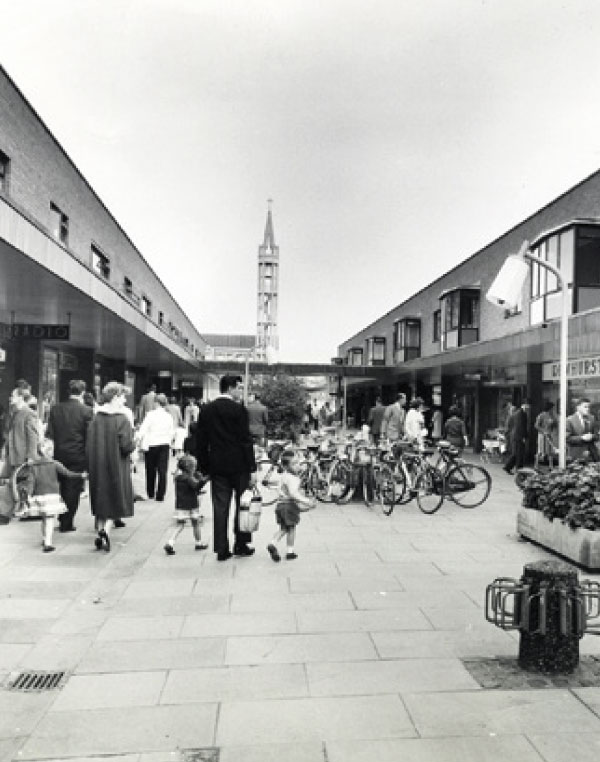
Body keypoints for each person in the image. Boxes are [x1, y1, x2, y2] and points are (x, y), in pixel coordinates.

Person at [196, 374, 257, 561]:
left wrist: (205, 467)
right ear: (230, 388)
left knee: (220, 507)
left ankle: (222, 548)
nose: (241, 391)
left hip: (218, 466)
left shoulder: (207, 410)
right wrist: (252, 469)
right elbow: (246, 441)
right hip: (239, 466)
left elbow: (201, 441)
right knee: (243, 505)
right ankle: (241, 544)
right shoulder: (240, 410)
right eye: (239, 387)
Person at [87, 382, 136, 552]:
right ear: (115, 397)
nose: (124, 400)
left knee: (101, 497)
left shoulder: (96, 418)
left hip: (97, 464)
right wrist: (136, 443)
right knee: (116, 497)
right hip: (116, 465)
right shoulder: (122, 419)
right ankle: (106, 530)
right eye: (122, 396)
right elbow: (126, 446)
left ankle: (100, 529)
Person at [45, 379, 93, 533]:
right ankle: (67, 521)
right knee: (73, 488)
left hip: (59, 454)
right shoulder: (87, 411)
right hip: (78, 455)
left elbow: (50, 433)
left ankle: (60, 517)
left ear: (69, 391)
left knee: (61, 486)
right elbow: (89, 436)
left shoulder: (56, 409)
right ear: (83, 392)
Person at [14, 454, 85, 552]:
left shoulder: (33, 467)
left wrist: (28, 496)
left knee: (44, 519)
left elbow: (31, 482)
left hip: (39, 497)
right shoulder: (55, 464)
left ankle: (45, 538)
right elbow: (67, 474)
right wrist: (80, 475)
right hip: (52, 496)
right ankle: (48, 543)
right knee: (49, 520)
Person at [267, 448, 315, 562]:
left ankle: (272, 543)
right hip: (289, 506)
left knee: (283, 528)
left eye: (298, 462)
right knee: (292, 528)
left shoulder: (283, 476)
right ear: (286, 466)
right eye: (294, 463)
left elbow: (279, 489)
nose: (298, 465)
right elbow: (293, 494)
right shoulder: (294, 479)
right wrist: (307, 501)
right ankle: (290, 552)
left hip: (280, 505)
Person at [164, 454, 209, 555]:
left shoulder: (178, 477)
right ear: (190, 468)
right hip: (192, 504)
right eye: (194, 466)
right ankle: (199, 542)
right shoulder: (188, 478)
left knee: (180, 525)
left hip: (180, 505)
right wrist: (204, 480)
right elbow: (196, 486)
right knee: (196, 523)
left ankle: (170, 542)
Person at [136, 393, 175, 502]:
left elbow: (143, 429)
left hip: (152, 444)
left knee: (150, 469)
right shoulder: (168, 416)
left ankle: (151, 492)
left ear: (156, 403)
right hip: (164, 444)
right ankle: (160, 495)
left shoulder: (150, 415)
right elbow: (172, 432)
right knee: (162, 470)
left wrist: (137, 439)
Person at [2, 385, 40, 475]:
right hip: (13, 456)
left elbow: (32, 436)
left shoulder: (29, 414)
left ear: (20, 397)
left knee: (21, 484)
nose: (10, 398)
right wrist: (5, 448)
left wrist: (31, 456)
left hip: (22, 458)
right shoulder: (14, 413)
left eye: (13, 396)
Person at [566, 397, 599, 461]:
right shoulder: (570, 420)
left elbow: (597, 435)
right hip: (577, 455)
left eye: (589, 407)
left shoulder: (592, 418)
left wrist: (592, 436)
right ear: (578, 408)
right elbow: (567, 439)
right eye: (585, 407)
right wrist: (581, 438)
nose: (588, 409)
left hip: (592, 455)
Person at [504, 399, 531, 474]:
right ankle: (517, 468)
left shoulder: (519, 413)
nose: (528, 408)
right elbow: (520, 426)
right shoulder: (520, 414)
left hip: (516, 435)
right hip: (518, 436)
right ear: (524, 405)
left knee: (517, 453)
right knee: (518, 453)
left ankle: (509, 467)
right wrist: (523, 437)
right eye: (528, 406)